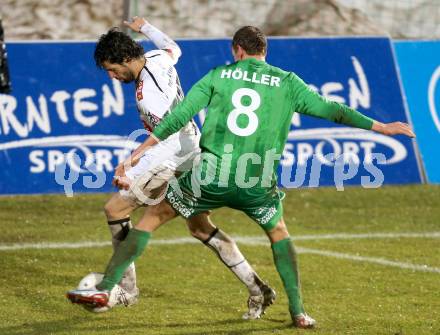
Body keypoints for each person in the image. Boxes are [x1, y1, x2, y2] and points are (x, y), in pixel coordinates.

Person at [68, 26, 415, 328]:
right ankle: (284, 303)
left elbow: (176, 122)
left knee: (137, 214)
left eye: (112, 71)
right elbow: (333, 110)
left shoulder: (219, 75)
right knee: (237, 230)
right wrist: (381, 126)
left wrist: (136, 159)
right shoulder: (286, 81)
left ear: (237, 50)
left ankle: (116, 287)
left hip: (197, 168)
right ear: (263, 51)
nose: (113, 77)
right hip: (256, 177)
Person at [74, 18, 276, 318]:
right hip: (195, 153)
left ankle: (125, 289)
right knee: (199, 227)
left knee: (116, 210)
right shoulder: (156, 58)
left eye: (113, 69)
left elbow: (165, 140)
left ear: (127, 59)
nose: (113, 76)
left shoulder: (148, 96)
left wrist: (132, 171)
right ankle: (258, 288)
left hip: (175, 156)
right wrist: (146, 28)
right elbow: (173, 48)